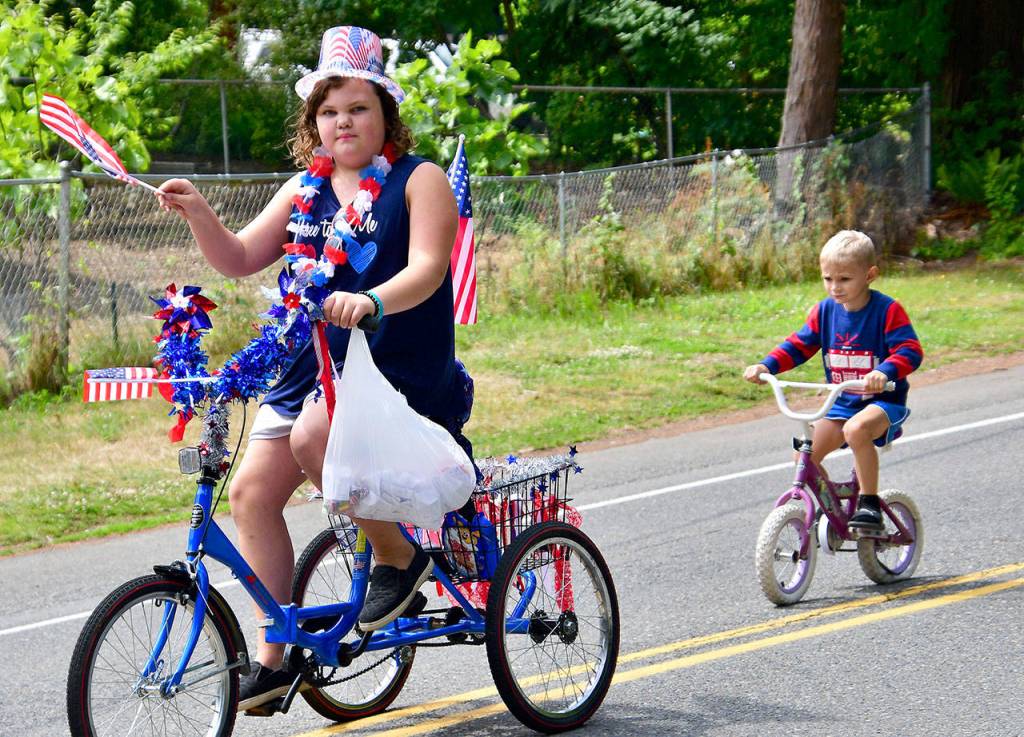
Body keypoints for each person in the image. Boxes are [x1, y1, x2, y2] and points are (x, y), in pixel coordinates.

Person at [156, 26, 474, 710]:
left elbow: (426, 270)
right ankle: (275, 655)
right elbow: (240, 257)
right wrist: (198, 214)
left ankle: (396, 555)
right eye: (329, 111)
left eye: (357, 108)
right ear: (314, 122)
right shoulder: (308, 188)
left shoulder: (420, 182)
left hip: (395, 365)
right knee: (248, 494)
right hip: (312, 368)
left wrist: (367, 300)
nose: (342, 122)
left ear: (384, 112)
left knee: (310, 437)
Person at [743, 230, 923, 531]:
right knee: (805, 452)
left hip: (883, 402)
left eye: (844, 279)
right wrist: (767, 365)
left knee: (857, 430)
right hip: (842, 403)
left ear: (870, 275)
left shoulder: (887, 310)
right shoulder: (825, 311)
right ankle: (832, 504)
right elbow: (799, 345)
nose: (835, 287)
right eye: (828, 279)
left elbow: (910, 351)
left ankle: (869, 503)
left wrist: (884, 372)